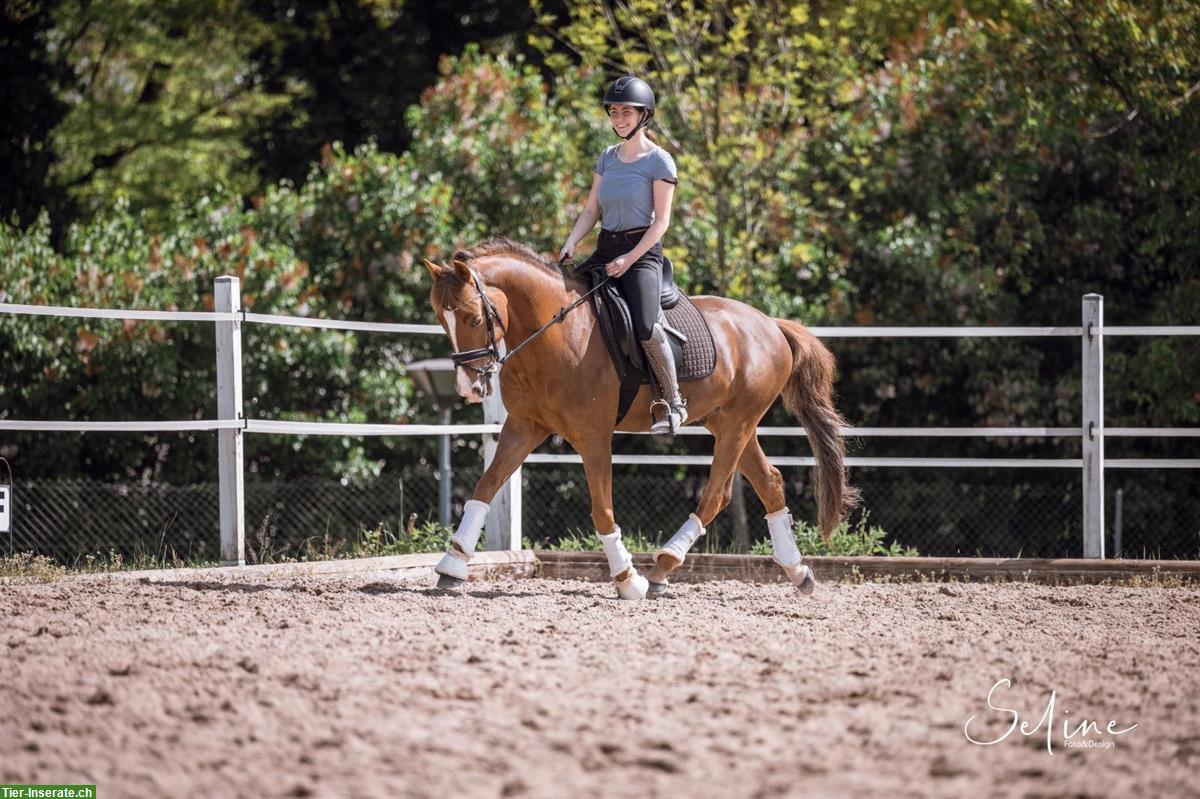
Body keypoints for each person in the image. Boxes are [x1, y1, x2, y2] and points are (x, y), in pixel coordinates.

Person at [560, 75, 686, 435]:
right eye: (614, 112)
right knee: (567, 307)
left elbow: (661, 223)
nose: (618, 119)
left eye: (626, 112)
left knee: (646, 325)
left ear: (644, 115)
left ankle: (674, 402)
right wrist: (572, 241)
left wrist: (629, 261)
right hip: (606, 247)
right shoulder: (607, 158)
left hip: (642, 254)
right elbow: (590, 210)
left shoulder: (659, 162)